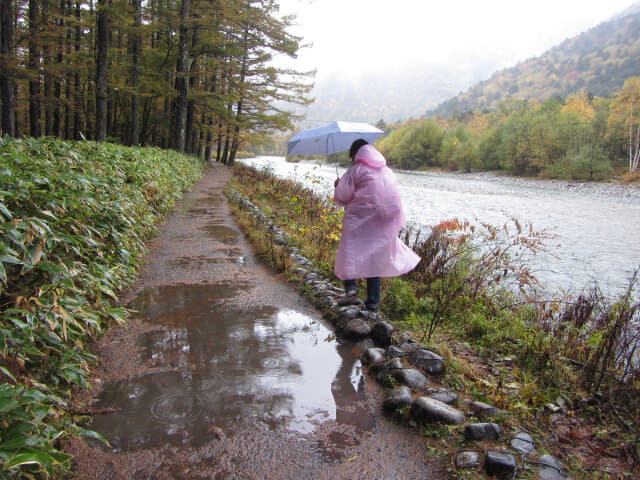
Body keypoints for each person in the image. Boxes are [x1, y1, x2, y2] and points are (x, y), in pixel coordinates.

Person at [333, 139, 420, 311]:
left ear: (356, 154)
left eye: (352, 157)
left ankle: (351, 290)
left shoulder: (356, 170)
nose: (352, 160)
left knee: (350, 249)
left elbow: (343, 196)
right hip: (384, 220)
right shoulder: (386, 171)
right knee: (375, 256)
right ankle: (372, 302)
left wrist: (338, 186)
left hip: (360, 219)